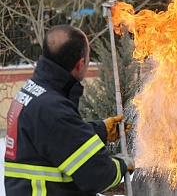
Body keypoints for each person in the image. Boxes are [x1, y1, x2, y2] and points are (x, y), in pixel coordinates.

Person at [4, 25, 134, 196]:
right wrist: (122, 164)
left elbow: (56, 138)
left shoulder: (35, 89)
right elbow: (96, 175)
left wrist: (100, 130)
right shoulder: (53, 109)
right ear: (80, 64)